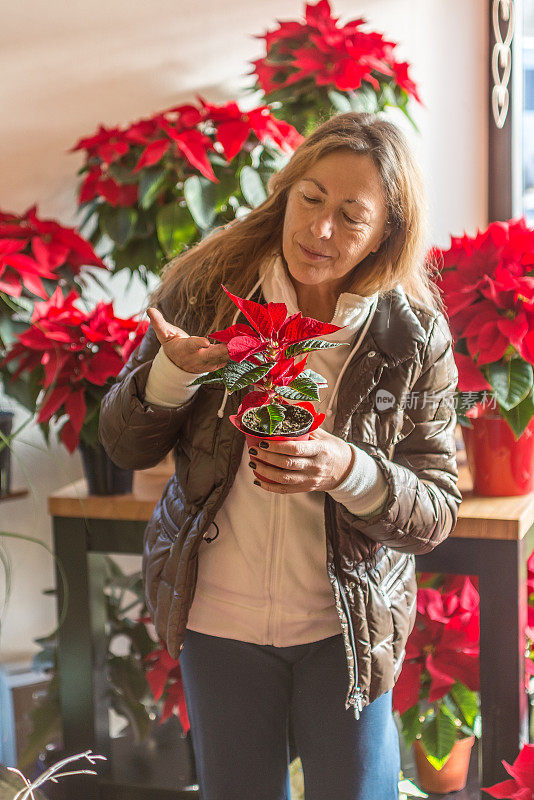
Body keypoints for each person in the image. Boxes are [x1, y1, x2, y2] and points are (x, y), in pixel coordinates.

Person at [98, 111, 462, 800]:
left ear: (387, 230)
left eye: (351, 216)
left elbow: (436, 509)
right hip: (219, 621)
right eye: (311, 199)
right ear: (286, 191)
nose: (319, 230)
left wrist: (347, 469)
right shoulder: (209, 290)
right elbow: (121, 443)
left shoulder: (411, 335)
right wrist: (172, 375)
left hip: (347, 629)